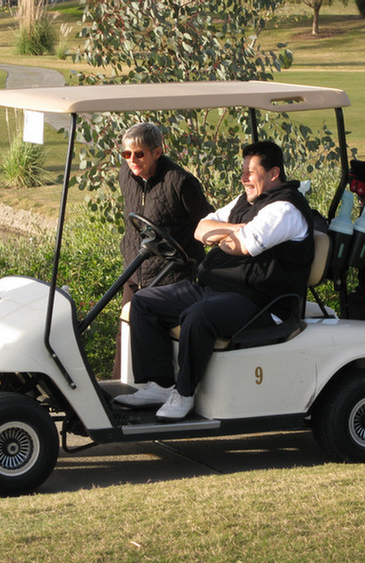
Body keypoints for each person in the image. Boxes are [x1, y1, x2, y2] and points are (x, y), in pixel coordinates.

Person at [115, 141, 315, 420]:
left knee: (199, 316)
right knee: (144, 301)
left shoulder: (285, 210)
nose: (244, 178)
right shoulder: (245, 201)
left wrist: (227, 236)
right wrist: (235, 229)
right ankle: (160, 384)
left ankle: (184, 394)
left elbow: (241, 246)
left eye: (250, 172)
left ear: (273, 173)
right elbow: (201, 229)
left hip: (261, 302)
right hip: (219, 288)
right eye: (243, 171)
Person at [113, 123, 214, 378]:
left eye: (139, 154)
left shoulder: (181, 183)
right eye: (127, 154)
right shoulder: (127, 175)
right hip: (136, 268)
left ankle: (159, 387)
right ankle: (117, 388)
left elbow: (207, 222)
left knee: (152, 331)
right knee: (125, 329)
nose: (132, 160)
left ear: (157, 152)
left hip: (173, 275)